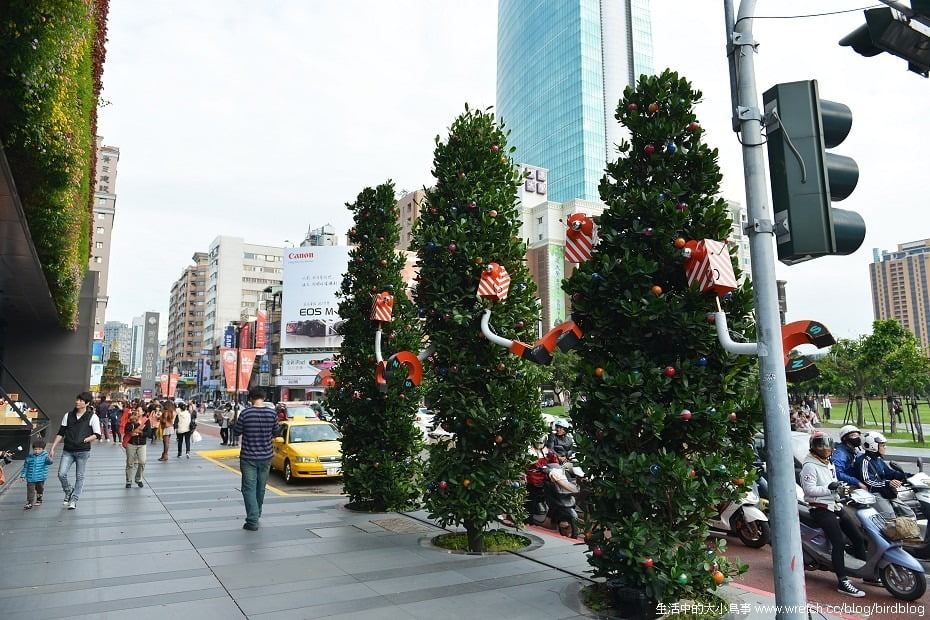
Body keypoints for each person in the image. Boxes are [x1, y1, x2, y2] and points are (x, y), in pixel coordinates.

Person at [800, 432, 867, 598]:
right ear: (813, 447)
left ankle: (866, 573)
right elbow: (809, 490)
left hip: (834, 505)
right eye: (820, 445)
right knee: (838, 542)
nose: (825, 448)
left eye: (827, 444)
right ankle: (843, 581)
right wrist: (830, 488)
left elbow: (834, 483)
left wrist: (841, 490)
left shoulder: (828, 463)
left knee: (857, 537)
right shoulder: (809, 465)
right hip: (819, 508)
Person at [49, 391, 102, 510]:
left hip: (83, 451)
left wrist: (85, 440)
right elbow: (61, 433)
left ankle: (74, 499)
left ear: (87, 403)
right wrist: (53, 448)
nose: (77, 402)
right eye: (77, 399)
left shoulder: (92, 417)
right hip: (68, 450)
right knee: (61, 474)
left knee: (80, 476)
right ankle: (68, 491)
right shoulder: (68, 415)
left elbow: (97, 434)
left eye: (81, 400)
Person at [237, 387, 278, 531]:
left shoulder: (245, 413)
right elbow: (276, 432)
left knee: (248, 488)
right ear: (264, 398)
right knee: (261, 487)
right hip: (266, 457)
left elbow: (236, 431)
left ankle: (252, 520)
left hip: (248, 457)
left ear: (250, 398)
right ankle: (257, 513)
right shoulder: (272, 413)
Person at [855, 431, 916, 519]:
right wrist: (888, 483)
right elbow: (868, 482)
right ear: (873, 446)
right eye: (882, 445)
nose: (885, 447)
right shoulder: (864, 461)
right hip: (874, 493)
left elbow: (889, 473)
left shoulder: (878, 459)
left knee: (909, 513)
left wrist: (909, 476)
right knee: (890, 517)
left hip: (885, 491)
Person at [831, 425, 867, 490]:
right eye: (854, 435)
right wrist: (857, 482)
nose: (858, 438)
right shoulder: (840, 454)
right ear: (845, 438)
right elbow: (837, 473)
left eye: (858, 435)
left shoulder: (853, 450)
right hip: (847, 487)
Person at [20, 438, 53, 509]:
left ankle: (39, 499)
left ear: (43, 449)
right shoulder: (30, 457)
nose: (37, 451)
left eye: (39, 449)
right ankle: (29, 502)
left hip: (40, 477)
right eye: (35, 449)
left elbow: (49, 462)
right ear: (33, 449)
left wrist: (50, 458)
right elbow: (25, 467)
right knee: (30, 490)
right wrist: (23, 475)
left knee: (39, 489)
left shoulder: (45, 456)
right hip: (30, 477)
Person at [124, 403, 151, 488]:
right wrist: (134, 425)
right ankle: (128, 481)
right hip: (131, 443)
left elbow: (149, 433)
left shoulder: (146, 421)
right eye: (137, 410)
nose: (137, 411)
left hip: (142, 444)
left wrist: (140, 433)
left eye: (139, 410)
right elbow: (126, 429)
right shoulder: (132, 418)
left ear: (143, 412)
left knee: (142, 462)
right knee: (130, 463)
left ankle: (138, 479)